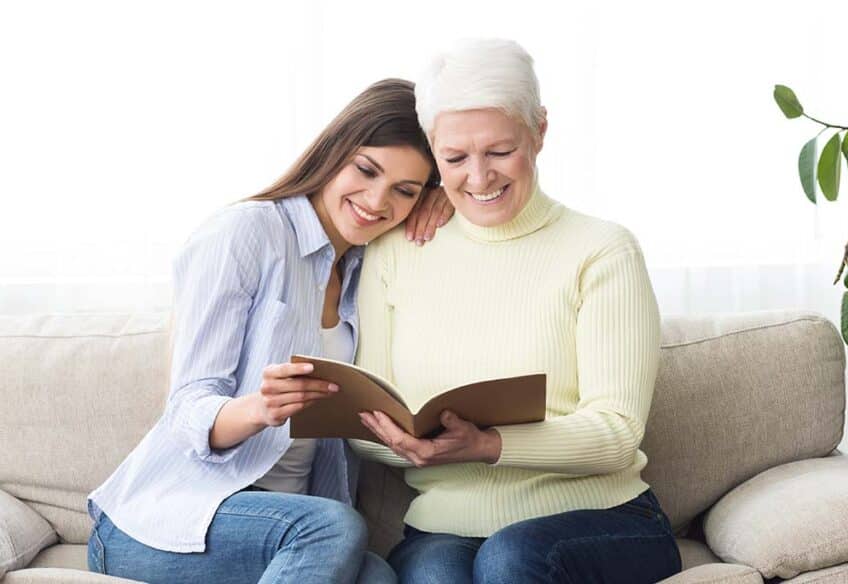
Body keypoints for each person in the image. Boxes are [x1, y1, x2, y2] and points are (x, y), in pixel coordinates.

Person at [86, 78, 453, 584]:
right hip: (166, 520)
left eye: (405, 191)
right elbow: (188, 407)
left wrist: (448, 201)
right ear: (333, 151)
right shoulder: (246, 233)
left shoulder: (373, 266)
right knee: (332, 529)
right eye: (366, 170)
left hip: (289, 523)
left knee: (378, 577)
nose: (376, 200)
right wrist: (257, 408)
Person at [351, 41, 682, 583]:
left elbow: (618, 431)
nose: (479, 178)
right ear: (433, 151)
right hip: (442, 529)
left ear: (540, 131)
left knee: (511, 558)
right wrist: (403, 442)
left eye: (499, 151)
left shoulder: (602, 250)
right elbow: (365, 422)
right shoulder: (394, 252)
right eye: (455, 158)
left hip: (600, 519)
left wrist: (489, 445)